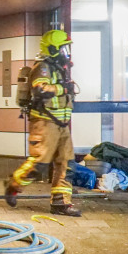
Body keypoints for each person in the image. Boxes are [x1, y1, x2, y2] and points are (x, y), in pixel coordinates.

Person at [5, 29, 80, 217]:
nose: (66, 52)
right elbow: (40, 90)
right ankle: (14, 183)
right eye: (63, 48)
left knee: (66, 164)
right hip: (44, 123)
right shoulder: (43, 67)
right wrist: (63, 88)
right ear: (53, 49)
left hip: (62, 124)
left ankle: (61, 203)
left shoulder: (59, 68)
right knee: (39, 164)